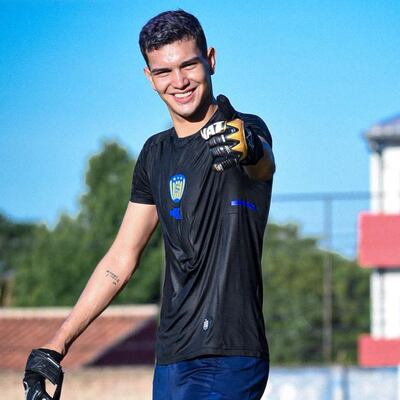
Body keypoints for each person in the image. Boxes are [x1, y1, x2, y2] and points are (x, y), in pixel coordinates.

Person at [23, 9, 276, 400]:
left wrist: (252, 149)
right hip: (171, 357)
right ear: (149, 77)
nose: (179, 81)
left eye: (188, 65)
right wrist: (56, 345)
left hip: (230, 352)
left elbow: (263, 165)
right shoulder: (155, 154)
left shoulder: (242, 129)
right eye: (164, 71)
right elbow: (120, 259)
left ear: (210, 60)